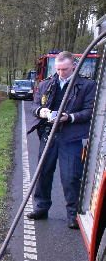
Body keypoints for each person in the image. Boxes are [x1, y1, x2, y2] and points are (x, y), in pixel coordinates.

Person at [27, 51, 96, 229]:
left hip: (70, 137)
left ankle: (73, 215)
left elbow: (90, 111)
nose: (61, 73)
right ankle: (41, 207)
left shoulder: (87, 86)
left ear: (74, 65)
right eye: (58, 69)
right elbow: (34, 105)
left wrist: (70, 117)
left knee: (71, 176)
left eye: (64, 69)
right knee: (43, 173)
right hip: (48, 133)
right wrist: (41, 112)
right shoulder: (46, 84)